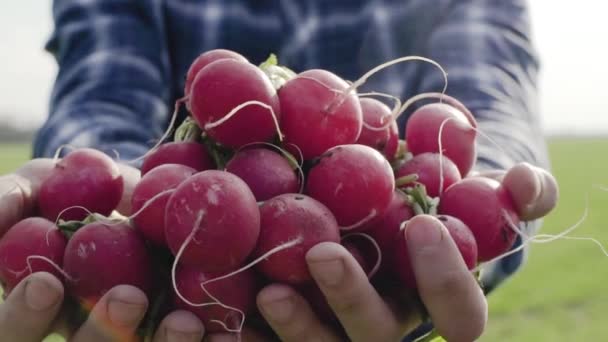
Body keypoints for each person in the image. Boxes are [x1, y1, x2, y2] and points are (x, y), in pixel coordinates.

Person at [0, 0, 558, 341]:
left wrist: (489, 178)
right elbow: (104, 90)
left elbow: (490, 88)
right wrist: (116, 191)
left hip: (369, 280)